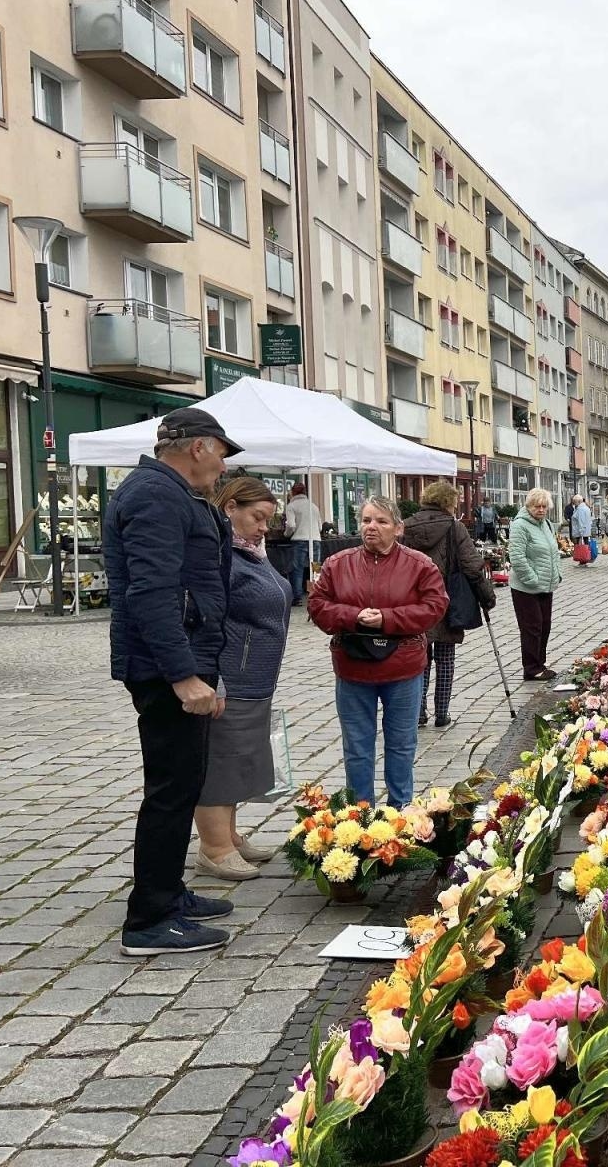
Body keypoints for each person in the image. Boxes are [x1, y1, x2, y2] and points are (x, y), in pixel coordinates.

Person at [104, 407, 242, 956]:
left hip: (185, 657)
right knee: (170, 789)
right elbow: (151, 594)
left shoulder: (169, 493)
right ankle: (150, 919)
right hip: (166, 668)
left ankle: (167, 891)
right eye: (222, 452)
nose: (224, 464)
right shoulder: (156, 495)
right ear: (199, 447)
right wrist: (184, 675)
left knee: (183, 784)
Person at [308, 497, 446, 806]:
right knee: (357, 747)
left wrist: (388, 619)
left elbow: (435, 606)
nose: (372, 527)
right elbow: (317, 606)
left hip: (402, 668)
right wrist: (351, 616)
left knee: (401, 745)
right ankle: (360, 815)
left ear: (398, 528)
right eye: (367, 520)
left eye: (381, 521)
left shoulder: (420, 565)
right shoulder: (337, 563)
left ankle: (400, 811)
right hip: (353, 668)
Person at [195, 475, 291, 882]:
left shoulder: (250, 551)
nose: (264, 527)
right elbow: (205, 622)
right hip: (230, 677)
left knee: (240, 762)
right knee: (220, 763)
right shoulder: (219, 556)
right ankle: (213, 848)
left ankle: (229, 836)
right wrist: (213, 681)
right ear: (230, 507)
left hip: (255, 679)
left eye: (268, 519)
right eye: (258, 517)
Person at [403, 481, 497, 730]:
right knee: (445, 659)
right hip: (446, 601)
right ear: (448, 502)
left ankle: (418, 712)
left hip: (414, 603)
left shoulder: (407, 526)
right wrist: (487, 596)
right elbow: (472, 565)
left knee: (419, 658)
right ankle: (441, 713)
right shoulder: (454, 527)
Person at [508, 488, 562, 680]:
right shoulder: (520, 525)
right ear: (528, 506)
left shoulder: (546, 524)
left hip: (546, 585)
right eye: (536, 506)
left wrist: (558, 574)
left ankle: (540, 663)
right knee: (532, 627)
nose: (541, 510)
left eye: (544, 506)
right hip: (526, 587)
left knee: (544, 625)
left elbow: (553, 551)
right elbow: (516, 556)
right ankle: (531, 668)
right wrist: (532, 579)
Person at [282, 481, 318, 606]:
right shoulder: (313, 506)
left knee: (297, 569)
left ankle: (296, 597)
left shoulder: (292, 506)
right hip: (315, 538)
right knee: (316, 568)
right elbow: (319, 525)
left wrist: (286, 534)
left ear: (292, 492)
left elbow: (291, 525)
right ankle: (318, 594)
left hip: (299, 540)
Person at [571, 495, 594, 565]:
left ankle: (582, 560)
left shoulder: (580, 509)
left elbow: (581, 521)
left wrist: (581, 532)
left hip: (580, 531)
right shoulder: (586, 508)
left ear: (578, 501)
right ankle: (584, 559)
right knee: (585, 546)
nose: (574, 503)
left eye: (574, 502)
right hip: (586, 531)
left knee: (581, 546)